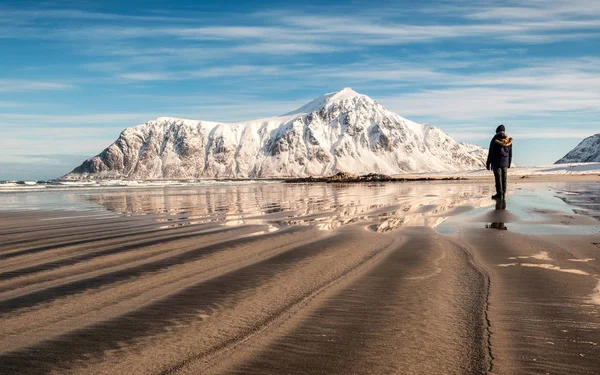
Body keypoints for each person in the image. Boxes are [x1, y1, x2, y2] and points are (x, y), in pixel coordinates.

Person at [486, 125, 513, 204]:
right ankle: (503, 194)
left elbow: (491, 152)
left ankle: (499, 194)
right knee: (504, 178)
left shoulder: (494, 139)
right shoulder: (508, 141)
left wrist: (488, 163)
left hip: (496, 162)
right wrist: (509, 163)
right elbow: (510, 153)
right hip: (505, 162)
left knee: (498, 178)